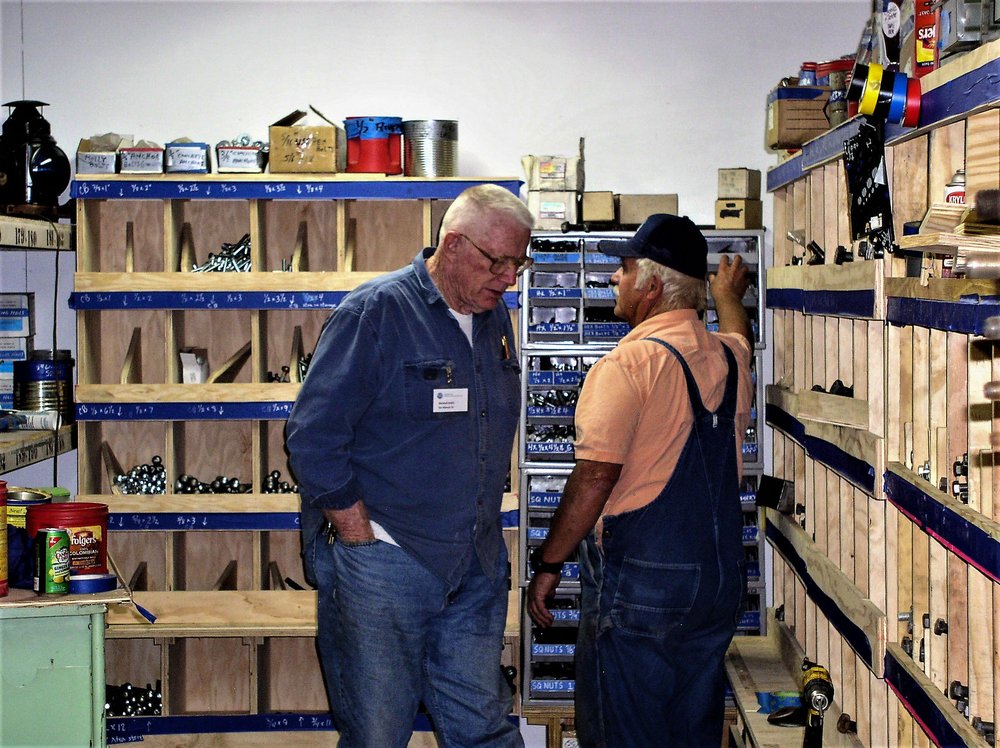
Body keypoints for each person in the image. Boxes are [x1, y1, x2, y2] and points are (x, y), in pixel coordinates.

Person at [286, 184, 533, 748]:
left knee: (485, 728)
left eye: (518, 262)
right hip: (388, 564)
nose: (510, 278)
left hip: (473, 563)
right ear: (452, 245)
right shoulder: (375, 312)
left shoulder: (493, 318)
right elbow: (313, 437)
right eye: (498, 262)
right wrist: (358, 537)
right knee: (378, 735)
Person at [526, 213, 754, 747]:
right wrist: (726, 295)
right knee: (689, 733)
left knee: (621, 732)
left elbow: (594, 478)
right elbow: (738, 332)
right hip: (717, 579)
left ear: (651, 286)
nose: (614, 279)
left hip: (645, 588)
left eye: (624, 269)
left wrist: (549, 564)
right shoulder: (729, 359)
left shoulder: (629, 364)